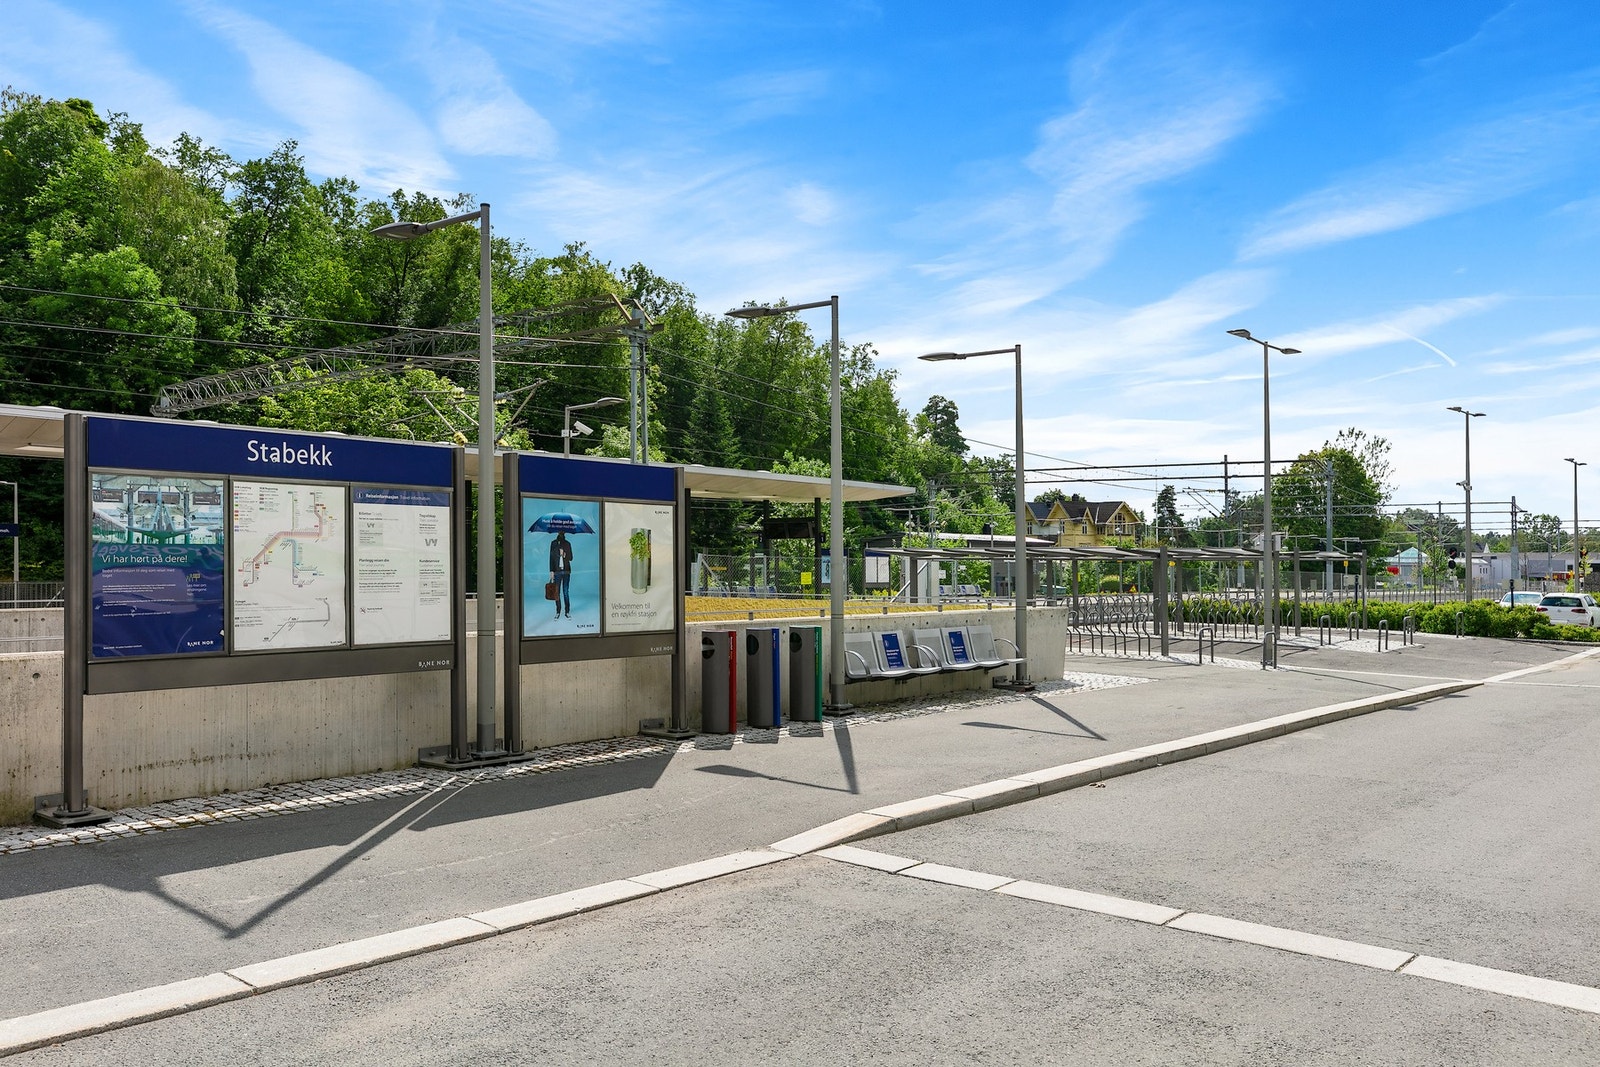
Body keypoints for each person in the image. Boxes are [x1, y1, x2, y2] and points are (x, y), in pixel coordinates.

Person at [549, 531, 573, 618]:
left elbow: (571, 558)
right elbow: (551, 558)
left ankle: (567, 611)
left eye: (562, 532)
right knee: (557, 592)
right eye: (559, 532)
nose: (561, 533)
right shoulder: (553, 543)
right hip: (557, 571)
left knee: (565, 592)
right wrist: (551, 571)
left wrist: (564, 555)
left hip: (566, 571)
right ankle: (558, 611)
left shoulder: (567, 544)